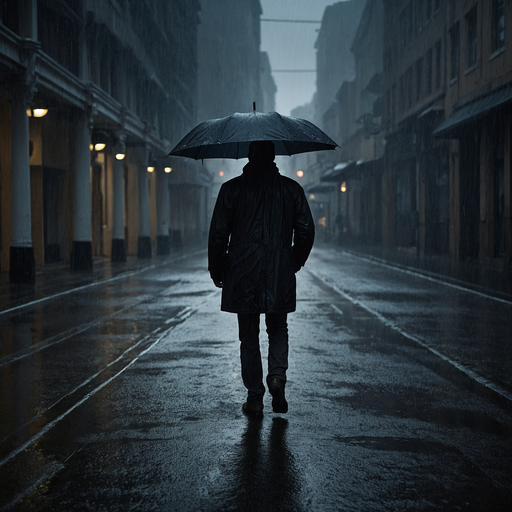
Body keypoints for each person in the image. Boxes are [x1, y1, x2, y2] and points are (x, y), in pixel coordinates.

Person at [208, 140, 315, 417]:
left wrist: (217, 269)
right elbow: (306, 230)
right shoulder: (291, 190)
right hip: (279, 270)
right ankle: (277, 378)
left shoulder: (231, 190)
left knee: (248, 336)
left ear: (248, 156)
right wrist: (293, 260)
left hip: (242, 272)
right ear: (273, 157)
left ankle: (255, 397)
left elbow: (219, 234)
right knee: (278, 328)